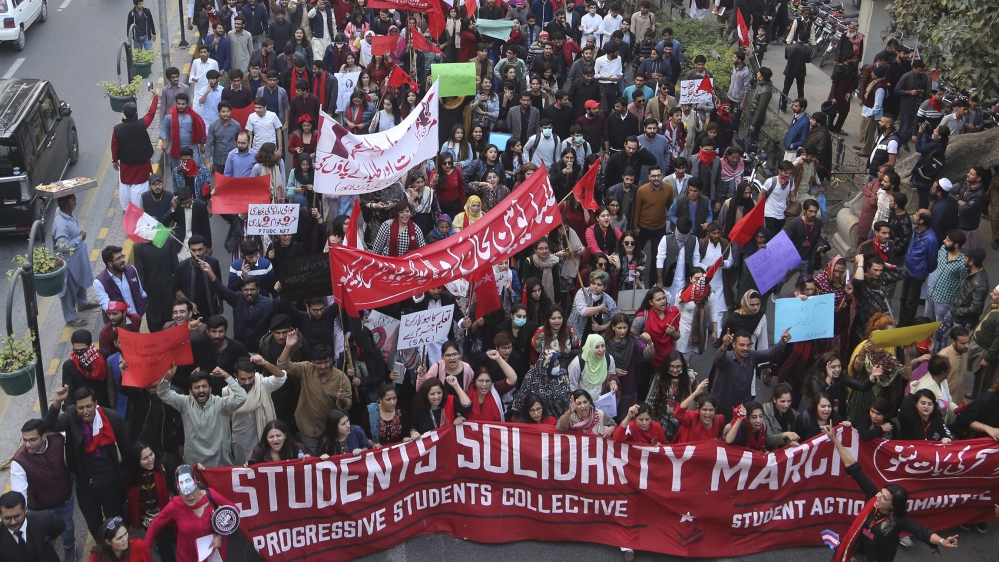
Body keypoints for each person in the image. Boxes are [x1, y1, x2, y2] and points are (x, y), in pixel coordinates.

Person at [826, 425, 960, 559]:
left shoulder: (900, 520)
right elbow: (854, 468)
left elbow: (922, 532)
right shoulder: (873, 496)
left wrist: (942, 541)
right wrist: (835, 440)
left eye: (884, 498)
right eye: (881, 493)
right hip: (857, 553)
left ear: (892, 507)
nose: (878, 497)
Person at [43, 386, 129, 541]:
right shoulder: (70, 416)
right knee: (94, 524)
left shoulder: (111, 418)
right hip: (85, 484)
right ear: (75, 407)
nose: (85, 412)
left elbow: (126, 448)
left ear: (96, 403)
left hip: (109, 481)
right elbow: (50, 425)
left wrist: (124, 478)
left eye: (89, 406)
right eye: (81, 408)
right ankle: (104, 551)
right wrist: (58, 401)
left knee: (114, 521)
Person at [9, 419, 76, 559]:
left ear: (44, 436)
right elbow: (19, 494)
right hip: (39, 509)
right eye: (25, 440)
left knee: (67, 526)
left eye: (32, 440)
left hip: (63, 500)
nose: (27, 445)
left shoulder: (59, 439)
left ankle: (69, 547)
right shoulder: (19, 461)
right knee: (41, 538)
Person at [278, 332, 353, 453]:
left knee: (329, 457)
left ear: (331, 360)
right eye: (319, 363)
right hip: (307, 426)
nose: (323, 366)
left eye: (326, 362)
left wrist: (342, 399)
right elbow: (283, 366)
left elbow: (347, 404)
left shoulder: (341, 378)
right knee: (311, 460)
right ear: (312, 362)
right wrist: (288, 346)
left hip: (329, 429)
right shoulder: (306, 368)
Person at [157, 364, 246, 467]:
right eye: (197, 387)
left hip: (220, 464)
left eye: (204, 386)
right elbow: (162, 393)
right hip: (194, 464)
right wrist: (168, 378)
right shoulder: (185, 403)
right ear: (190, 391)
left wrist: (226, 376)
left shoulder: (221, 404)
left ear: (210, 389)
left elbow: (242, 397)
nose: (201, 390)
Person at [144, 466, 238, 562]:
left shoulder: (211, 496)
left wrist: (221, 537)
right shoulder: (175, 505)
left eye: (193, 491)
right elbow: (156, 524)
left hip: (214, 556)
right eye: (185, 494)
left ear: (197, 486)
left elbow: (235, 511)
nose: (190, 497)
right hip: (187, 558)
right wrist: (145, 549)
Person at [712, 327, 791, 422]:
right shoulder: (727, 358)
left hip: (744, 406)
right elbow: (718, 360)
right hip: (723, 406)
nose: (745, 348)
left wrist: (782, 342)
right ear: (733, 345)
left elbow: (770, 354)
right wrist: (724, 346)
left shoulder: (752, 356)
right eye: (742, 345)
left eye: (748, 345)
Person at [52, 195, 96, 328]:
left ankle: (82, 304)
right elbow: (62, 247)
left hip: (78, 258)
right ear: (70, 204)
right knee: (69, 290)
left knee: (80, 282)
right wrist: (79, 238)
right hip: (69, 263)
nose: (76, 201)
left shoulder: (68, 215)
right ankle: (70, 317)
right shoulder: (61, 224)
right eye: (74, 199)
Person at [112, 94, 158, 210]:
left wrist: (114, 161)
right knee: (139, 193)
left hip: (126, 167)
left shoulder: (118, 130)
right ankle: (137, 213)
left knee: (125, 191)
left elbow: (115, 147)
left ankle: (127, 211)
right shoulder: (142, 124)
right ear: (136, 113)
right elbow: (151, 113)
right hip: (142, 167)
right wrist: (155, 97)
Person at [0, 491, 67, 562]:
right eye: (7, 518)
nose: (13, 522)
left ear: (25, 510)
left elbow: (60, 526)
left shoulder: (44, 519)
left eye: (17, 516)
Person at [94, 246, 147, 324]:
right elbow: (108, 308)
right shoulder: (99, 282)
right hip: (119, 325)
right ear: (110, 264)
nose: (123, 260)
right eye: (119, 259)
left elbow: (140, 292)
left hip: (137, 319)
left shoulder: (131, 270)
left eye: (122, 256)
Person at [87, 515, 154, 562]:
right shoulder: (97, 557)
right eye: (119, 538)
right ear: (108, 542)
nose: (125, 539)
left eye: (125, 534)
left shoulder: (139, 545)